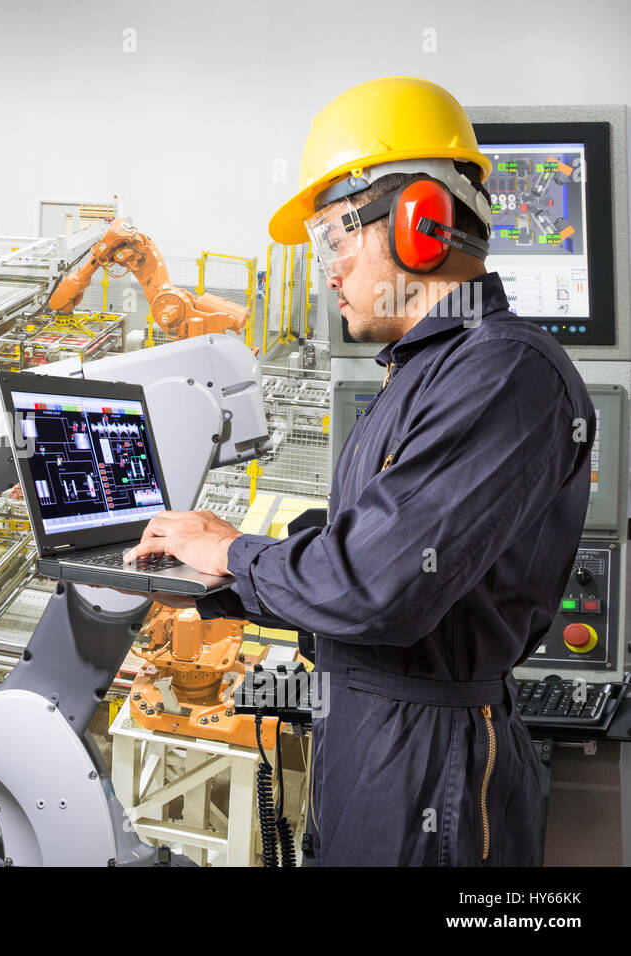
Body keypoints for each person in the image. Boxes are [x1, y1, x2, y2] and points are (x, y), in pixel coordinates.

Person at [123, 76, 595, 865]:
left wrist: (234, 552)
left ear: (420, 223)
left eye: (336, 239)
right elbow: (360, 549)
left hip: (430, 766)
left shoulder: (506, 372)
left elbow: (380, 586)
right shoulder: (421, 372)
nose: (328, 271)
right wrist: (215, 576)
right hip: (376, 739)